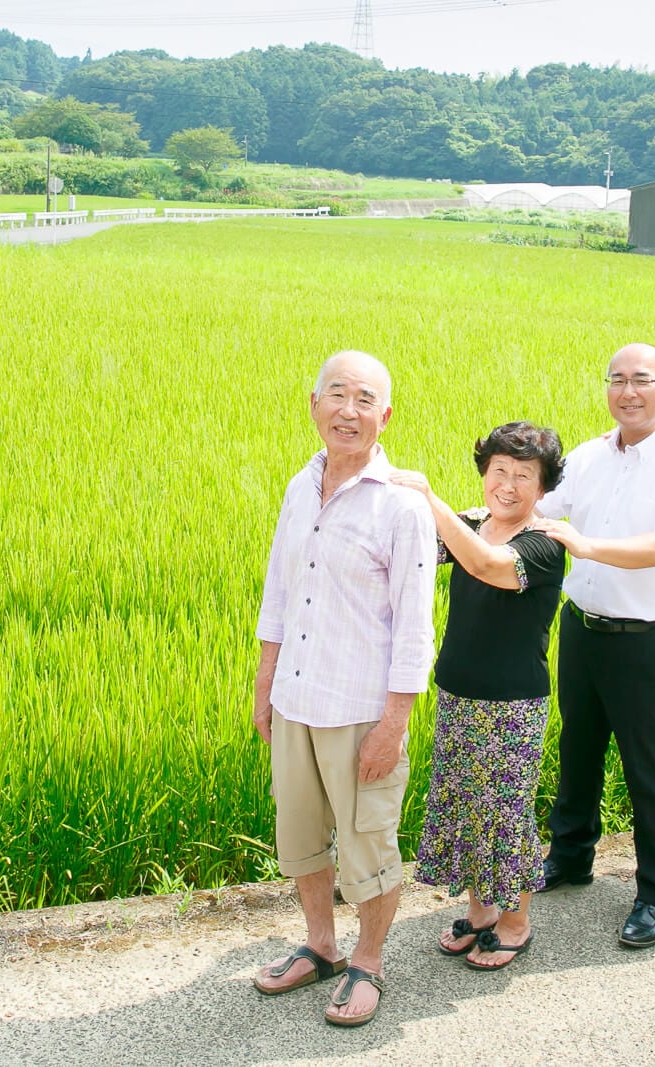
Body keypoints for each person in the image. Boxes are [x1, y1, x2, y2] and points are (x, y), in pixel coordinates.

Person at [250, 351, 436, 1029]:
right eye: (337, 395)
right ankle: (321, 945)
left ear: (385, 415)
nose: (348, 410)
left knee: (368, 844)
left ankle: (370, 960)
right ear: (313, 403)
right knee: (300, 834)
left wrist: (393, 724)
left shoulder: (402, 507)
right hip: (297, 700)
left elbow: (416, 628)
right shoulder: (301, 486)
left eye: (364, 399)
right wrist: (265, 679)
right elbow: (280, 590)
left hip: (361, 710)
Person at [533, 343, 655, 949]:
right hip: (583, 629)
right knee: (577, 749)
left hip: (647, 640)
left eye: (643, 381)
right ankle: (570, 856)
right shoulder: (586, 458)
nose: (628, 391)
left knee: (651, 769)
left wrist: (586, 546)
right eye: (618, 380)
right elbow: (536, 514)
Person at [392, 422, 567, 971]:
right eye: (499, 471)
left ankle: (517, 921)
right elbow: (408, 549)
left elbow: (488, 566)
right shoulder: (470, 524)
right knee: (468, 804)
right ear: (484, 472)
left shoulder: (544, 544)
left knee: (504, 811)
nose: (508, 485)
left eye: (524, 476)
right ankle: (482, 911)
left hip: (513, 702)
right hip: (458, 690)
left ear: (542, 488)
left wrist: (430, 498)